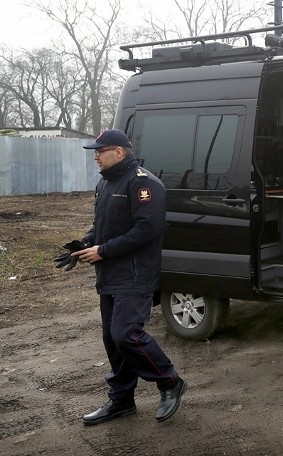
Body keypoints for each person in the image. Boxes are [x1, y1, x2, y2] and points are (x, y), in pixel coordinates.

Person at [70, 129, 187, 425]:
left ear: (119, 152)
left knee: (126, 334)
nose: (95, 157)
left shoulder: (144, 184)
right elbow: (103, 225)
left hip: (135, 273)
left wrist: (104, 250)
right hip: (110, 273)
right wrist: (84, 245)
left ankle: (169, 381)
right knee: (112, 339)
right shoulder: (106, 183)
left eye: (100, 151)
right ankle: (121, 400)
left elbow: (146, 230)